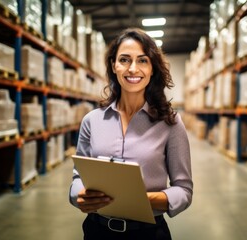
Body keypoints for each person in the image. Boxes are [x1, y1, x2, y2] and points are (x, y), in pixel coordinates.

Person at [69, 28, 193, 240]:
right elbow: (78, 178)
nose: (133, 69)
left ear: (152, 68)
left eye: (142, 61)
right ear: (113, 65)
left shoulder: (170, 123)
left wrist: (142, 199)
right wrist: (79, 195)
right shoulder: (92, 121)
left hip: (148, 233)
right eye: (124, 60)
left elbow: (184, 190)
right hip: (97, 231)